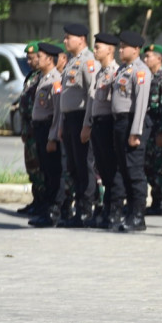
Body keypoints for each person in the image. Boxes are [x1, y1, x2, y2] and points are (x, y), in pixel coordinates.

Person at [108, 31, 153, 232]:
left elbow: (141, 103)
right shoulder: (123, 70)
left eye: (124, 46)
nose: (120, 49)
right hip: (120, 123)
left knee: (134, 171)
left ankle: (138, 215)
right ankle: (129, 212)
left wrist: (136, 131)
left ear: (136, 50)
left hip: (132, 122)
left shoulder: (141, 71)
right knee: (124, 170)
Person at [54, 23, 97, 226]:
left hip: (82, 118)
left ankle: (86, 210)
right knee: (72, 166)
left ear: (81, 39)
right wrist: (62, 123)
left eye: (68, 37)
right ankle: (75, 209)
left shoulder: (88, 61)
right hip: (70, 119)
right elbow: (65, 96)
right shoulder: (72, 62)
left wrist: (87, 124)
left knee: (84, 166)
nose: (64, 41)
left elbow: (91, 94)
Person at [81, 32, 123, 229]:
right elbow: (92, 102)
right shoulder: (99, 73)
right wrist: (88, 124)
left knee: (112, 170)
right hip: (97, 124)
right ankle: (106, 208)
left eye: (98, 47)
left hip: (109, 125)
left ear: (110, 49)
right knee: (102, 170)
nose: (95, 50)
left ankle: (115, 210)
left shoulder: (116, 72)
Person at [28, 43, 64, 228]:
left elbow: (58, 111)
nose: (36, 59)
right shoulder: (43, 79)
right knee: (45, 171)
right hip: (40, 129)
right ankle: (46, 209)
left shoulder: (55, 80)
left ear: (50, 59)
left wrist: (52, 137)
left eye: (40, 56)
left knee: (53, 172)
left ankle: (54, 212)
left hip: (49, 128)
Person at [142, 43, 162, 216]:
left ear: (159, 58)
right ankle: (154, 200)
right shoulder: (150, 78)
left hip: (160, 131)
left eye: (149, 56)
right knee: (150, 167)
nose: (145, 59)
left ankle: (161, 202)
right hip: (150, 131)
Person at [16, 42, 45, 216]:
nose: (29, 61)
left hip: (38, 127)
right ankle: (37, 200)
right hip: (29, 129)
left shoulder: (43, 76)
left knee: (41, 167)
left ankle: (43, 202)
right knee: (32, 167)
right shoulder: (31, 77)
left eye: (32, 58)